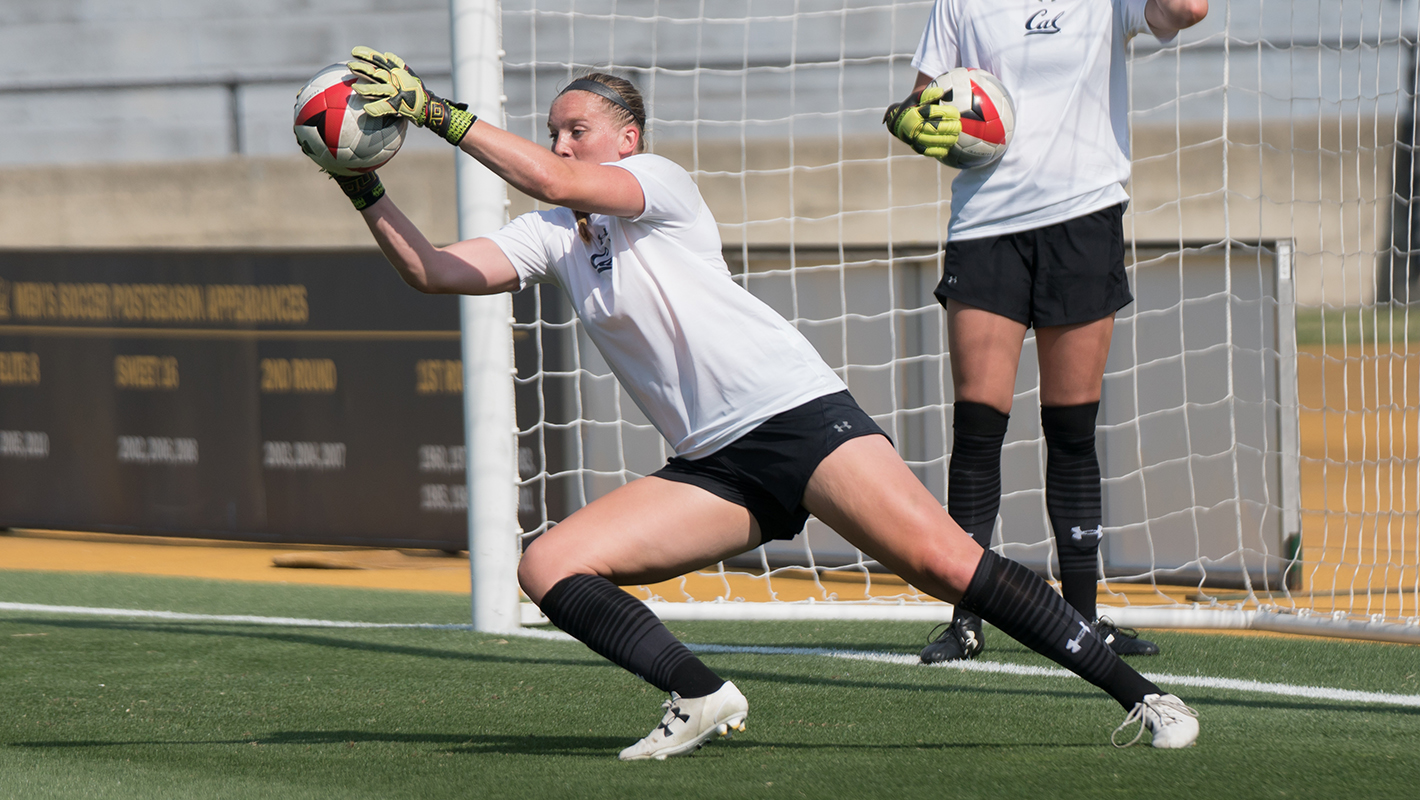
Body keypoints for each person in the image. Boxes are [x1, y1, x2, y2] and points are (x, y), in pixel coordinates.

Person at [305, 47, 1199, 758]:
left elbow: (554, 179)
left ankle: (1147, 698)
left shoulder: (657, 182)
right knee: (549, 566)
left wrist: (437, 113)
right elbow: (434, 272)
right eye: (554, 131)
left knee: (944, 566)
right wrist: (362, 185)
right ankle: (698, 694)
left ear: (627, 138)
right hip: (713, 465)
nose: (562, 143)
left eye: (577, 129)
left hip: (795, 414)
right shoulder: (551, 234)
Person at [884, 0, 1209, 665]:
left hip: (1083, 221)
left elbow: (1187, 9)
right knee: (978, 429)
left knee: (1071, 430)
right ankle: (965, 619)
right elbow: (922, 101)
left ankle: (1084, 621)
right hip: (986, 228)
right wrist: (929, 121)